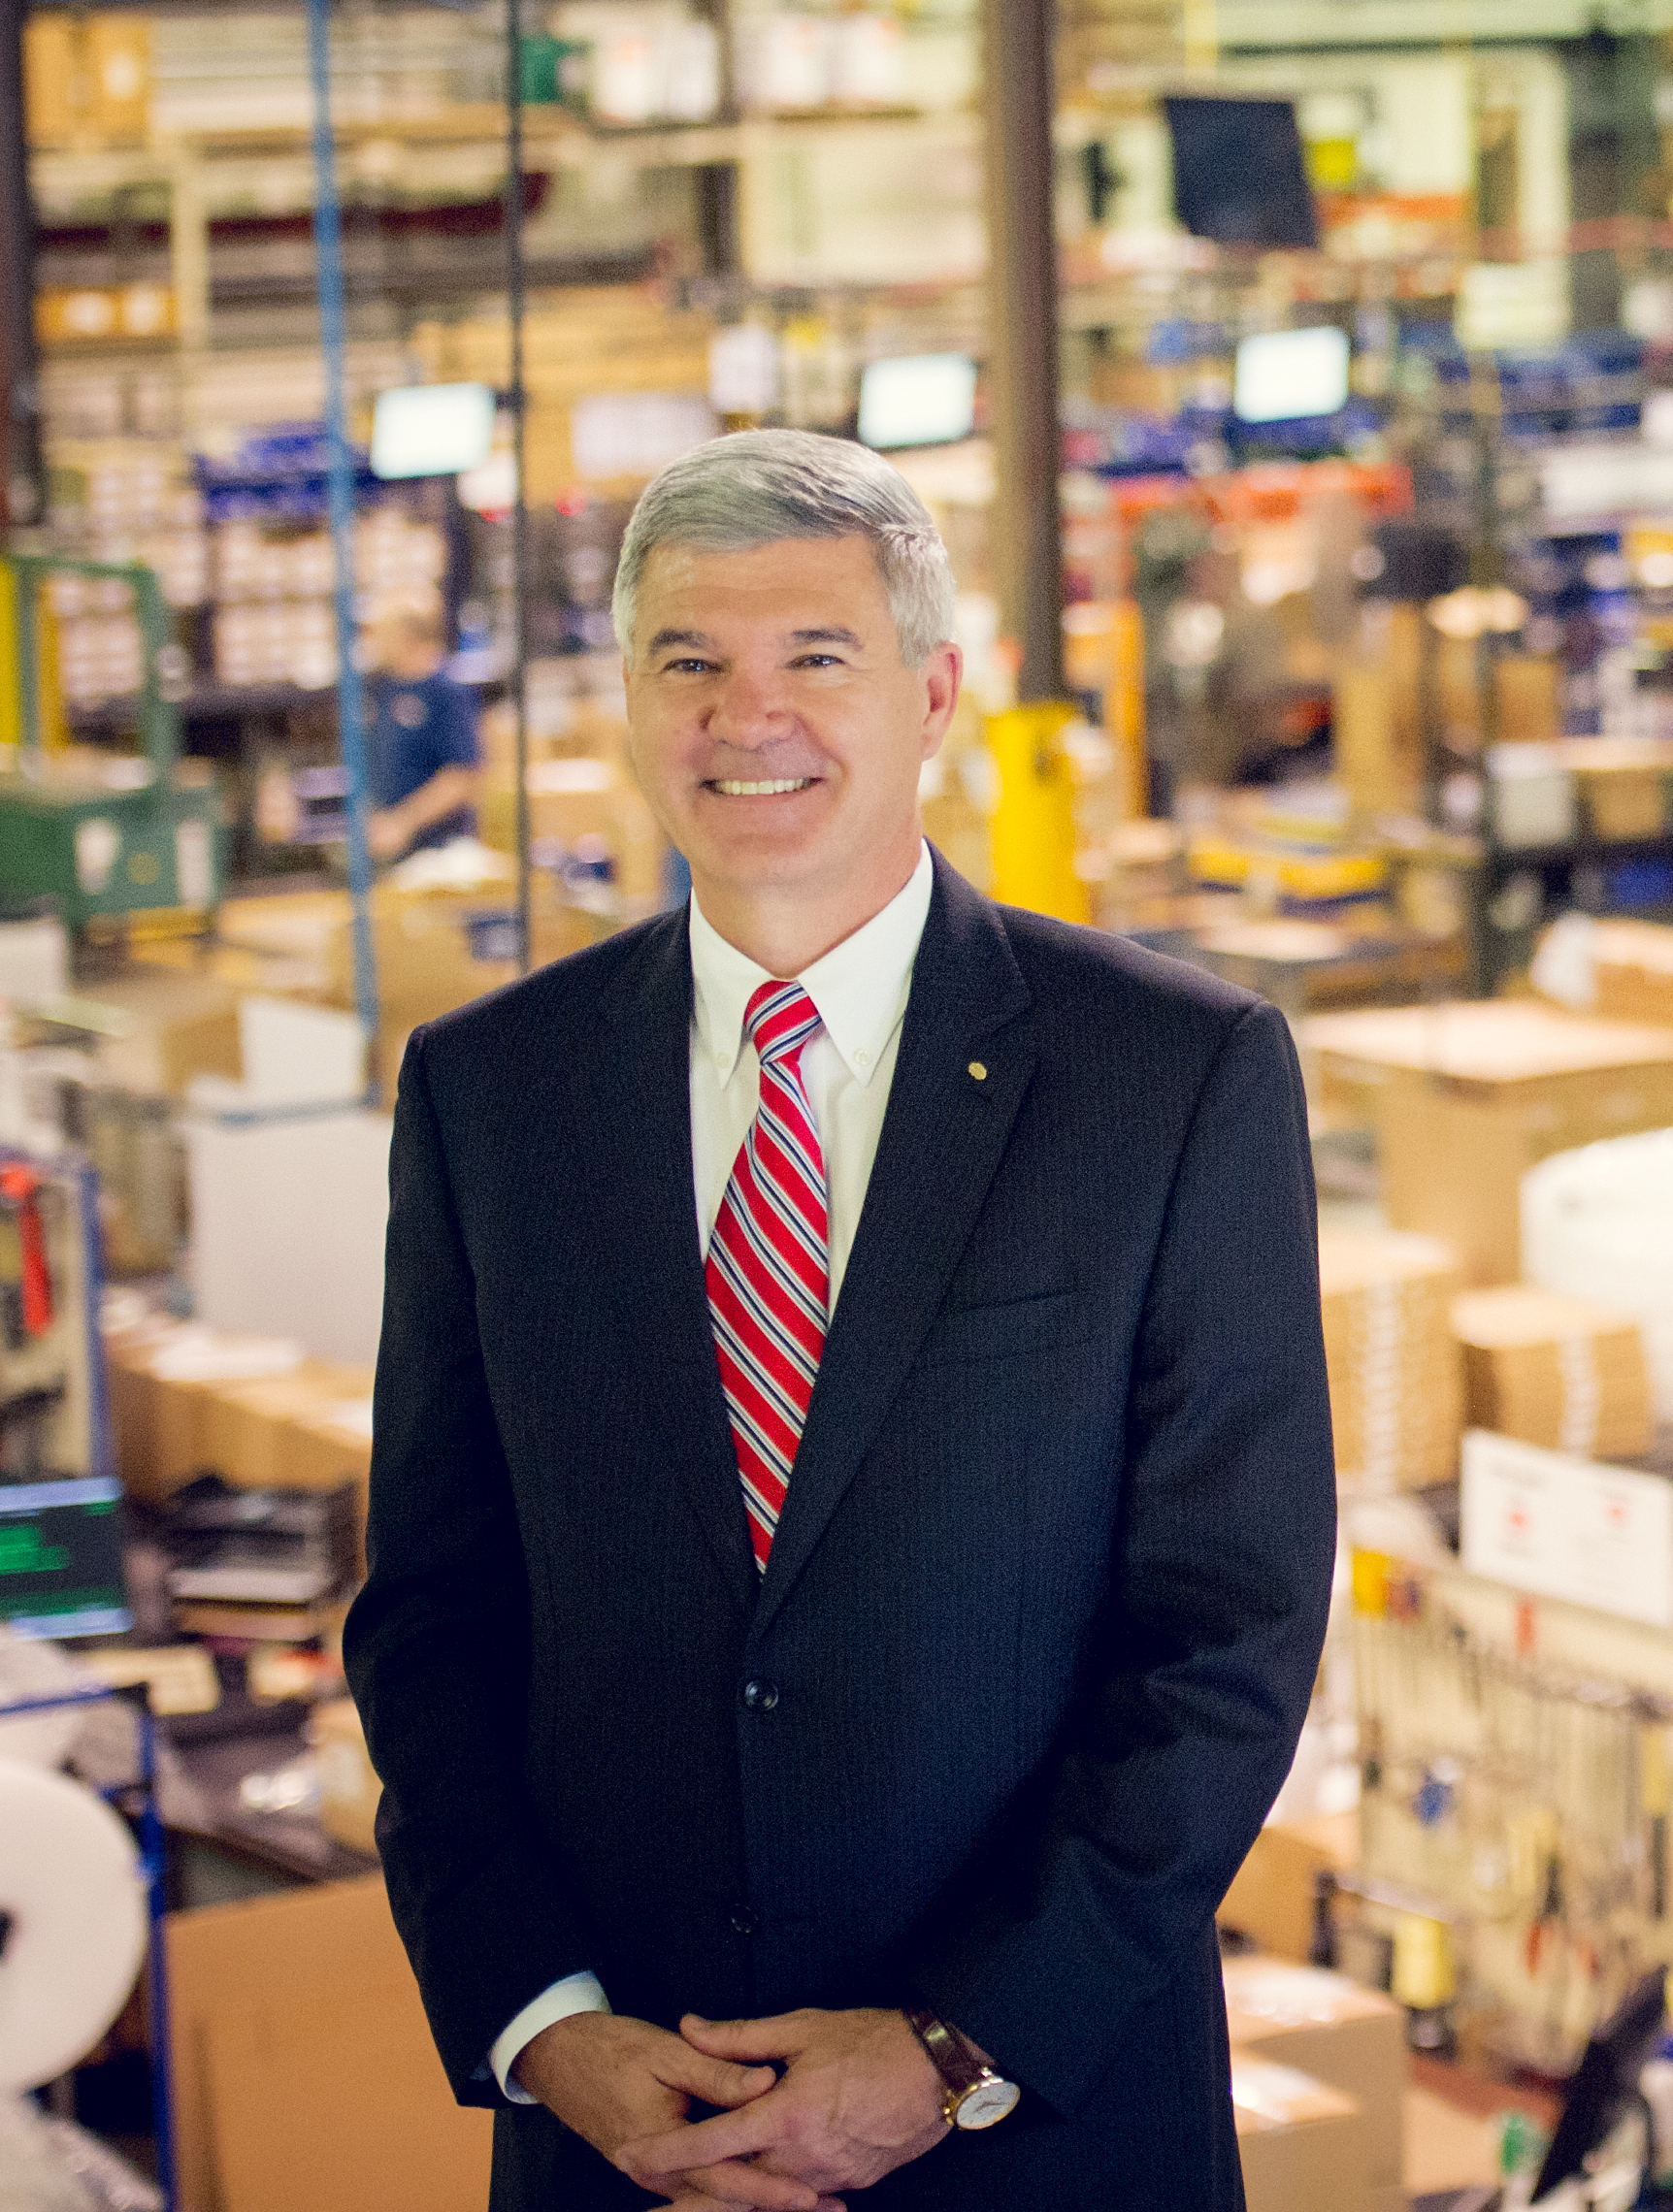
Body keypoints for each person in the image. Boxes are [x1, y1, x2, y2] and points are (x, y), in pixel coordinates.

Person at [344, 429, 1336, 2212]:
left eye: (814, 657)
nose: (749, 718)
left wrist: (954, 2048)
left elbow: (1226, 1633)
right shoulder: (492, 1093)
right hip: (628, 2136)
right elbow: (430, 1611)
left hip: (1032, 2132)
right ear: (626, 705)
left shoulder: (1169, 1076)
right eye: (688, 663)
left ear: (933, 692)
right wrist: (545, 2024)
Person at [361, 594, 482, 859]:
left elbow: (460, 777)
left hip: (439, 851)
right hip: (385, 849)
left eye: (380, 632)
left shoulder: (447, 693)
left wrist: (403, 822)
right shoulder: (379, 689)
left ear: (405, 634)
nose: (373, 642)